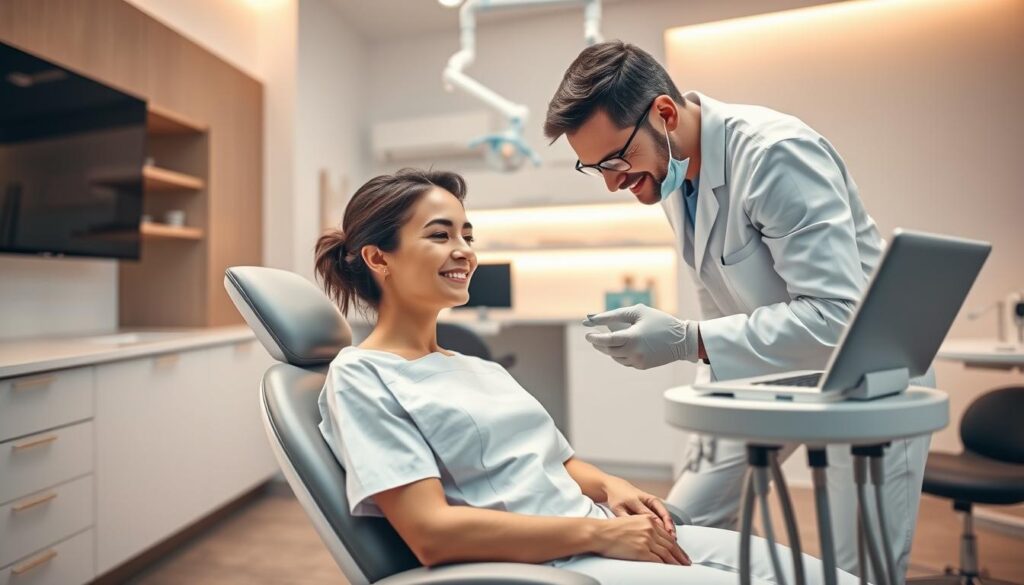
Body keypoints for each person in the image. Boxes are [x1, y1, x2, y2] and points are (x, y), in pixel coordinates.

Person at [313, 168, 861, 585]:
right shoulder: (361, 376)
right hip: (556, 563)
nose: (464, 252)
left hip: (596, 531)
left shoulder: (475, 366)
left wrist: (611, 487)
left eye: (467, 234)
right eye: (440, 235)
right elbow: (431, 534)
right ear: (378, 259)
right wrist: (604, 534)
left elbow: (559, 459)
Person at [543, 40, 933, 582]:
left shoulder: (776, 153)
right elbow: (720, 300)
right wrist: (707, 381)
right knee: (674, 523)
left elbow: (839, 316)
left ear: (665, 113)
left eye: (616, 160)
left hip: (865, 377)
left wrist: (686, 339)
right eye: (594, 168)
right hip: (768, 371)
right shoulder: (675, 174)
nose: (612, 181)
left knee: (857, 568)